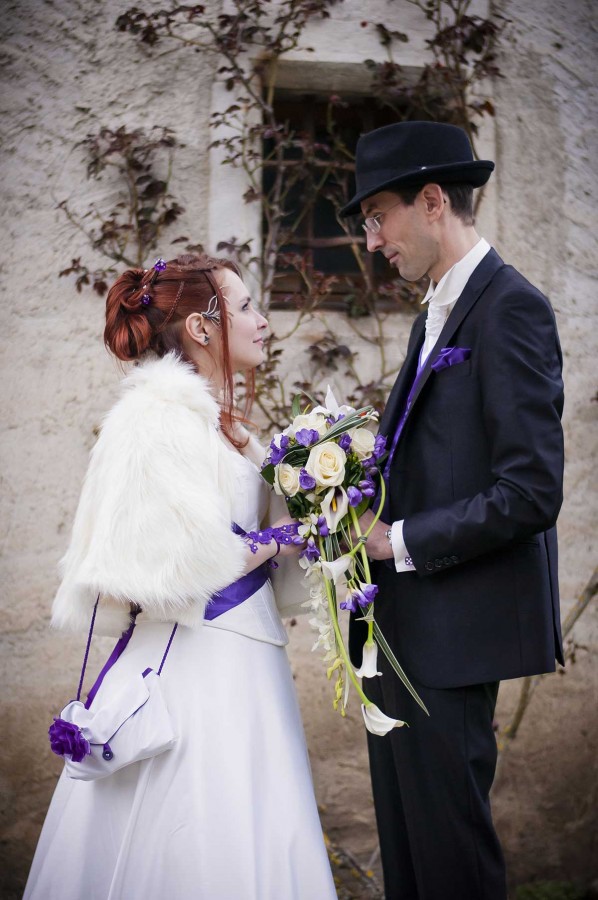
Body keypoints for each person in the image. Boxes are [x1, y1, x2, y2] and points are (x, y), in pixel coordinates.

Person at [24, 253, 337, 900]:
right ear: (200, 327)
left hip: (245, 658)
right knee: (195, 834)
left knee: (256, 823)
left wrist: (315, 499)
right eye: (246, 307)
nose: (263, 320)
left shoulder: (227, 429)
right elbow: (152, 565)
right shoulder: (155, 420)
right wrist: (275, 540)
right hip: (193, 662)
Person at [340, 122, 564, 899]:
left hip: (455, 636)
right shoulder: (432, 312)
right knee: (410, 860)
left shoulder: (511, 310)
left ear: (433, 201)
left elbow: (530, 490)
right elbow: (441, 459)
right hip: (401, 633)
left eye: (378, 216)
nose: (372, 241)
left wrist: (392, 539)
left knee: (450, 865)